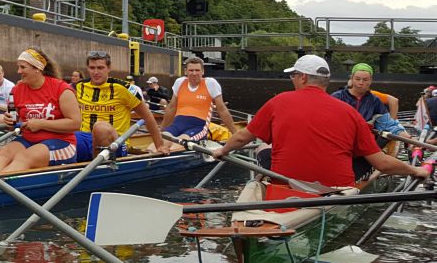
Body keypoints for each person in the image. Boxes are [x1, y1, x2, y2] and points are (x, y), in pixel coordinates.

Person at [212, 55, 430, 188]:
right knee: (367, 158)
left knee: (262, 147)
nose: (292, 80)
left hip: (287, 184)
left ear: (303, 78)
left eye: (293, 76)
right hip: (334, 188)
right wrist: (416, 171)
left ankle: (266, 185)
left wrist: (222, 152)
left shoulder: (278, 101)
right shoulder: (349, 112)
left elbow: (240, 138)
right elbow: (382, 164)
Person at [0, 48, 81, 173]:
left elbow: (76, 123)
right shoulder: (16, 90)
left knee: (24, 157)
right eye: (18, 67)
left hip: (62, 143)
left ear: (37, 68)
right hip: (29, 140)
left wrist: (41, 124)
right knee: (4, 153)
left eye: (23, 67)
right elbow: (13, 122)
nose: (18, 71)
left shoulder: (62, 89)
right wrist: (9, 121)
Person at [75, 50, 167, 161]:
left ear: (109, 68)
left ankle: (98, 167)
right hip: (86, 138)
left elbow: (147, 116)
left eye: (100, 68)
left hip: (116, 142)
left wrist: (159, 145)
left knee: (100, 128)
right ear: (87, 68)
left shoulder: (123, 88)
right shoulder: (80, 86)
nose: (95, 72)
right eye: (92, 68)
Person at [330, 62, 406, 173]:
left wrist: (408, 137)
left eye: (365, 80)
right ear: (351, 79)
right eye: (357, 79)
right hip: (339, 144)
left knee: (384, 136)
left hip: (362, 147)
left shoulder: (375, 100)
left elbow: (389, 125)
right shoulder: (337, 97)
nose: (361, 83)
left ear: (370, 81)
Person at [158, 57, 236, 151]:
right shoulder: (180, 82)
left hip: (198, 127)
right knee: (158, 144)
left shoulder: (210, 83)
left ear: (203, 71)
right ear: (185, 71)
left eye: (197, 70)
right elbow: (171, 108)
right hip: (177, 125)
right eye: (191, 70)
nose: (194, 73)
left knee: (176, 146)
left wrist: (235, 134)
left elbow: (222, 110)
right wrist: (161, 130)